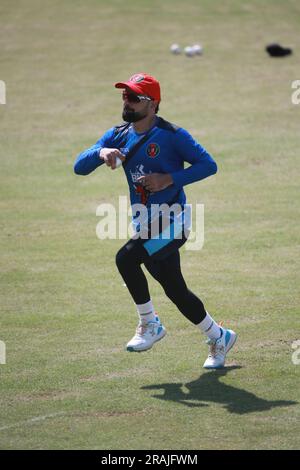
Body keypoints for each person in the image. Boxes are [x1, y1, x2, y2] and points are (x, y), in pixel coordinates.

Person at [74, 72, 237, 369]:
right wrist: (100, 152)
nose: (127, 101)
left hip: (173, 224)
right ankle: (219, 336)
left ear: (153, 104)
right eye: (125, 95)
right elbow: (78, 167)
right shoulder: (118, 135)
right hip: (145, 225)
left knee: (125, 259)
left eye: (135, 97)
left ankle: (149, 324)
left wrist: (169, 179)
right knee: (175, 290)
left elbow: (208, 165)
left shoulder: (173, 135)